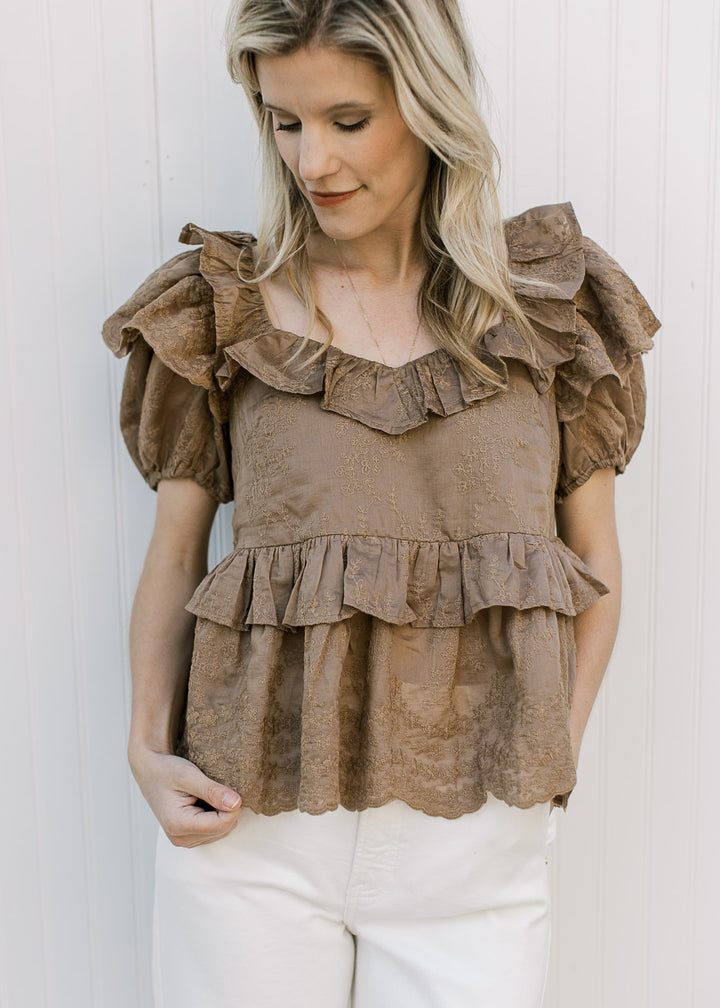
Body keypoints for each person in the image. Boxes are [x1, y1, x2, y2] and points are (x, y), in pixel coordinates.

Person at [103, 1, 660, 1005]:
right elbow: (177, 554)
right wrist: (146, 747)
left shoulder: (550, 306)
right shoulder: (222, 305)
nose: (311, 161)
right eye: (285, 122)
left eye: (348, 121)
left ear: (430, 105)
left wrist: (553, 752)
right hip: (249, 826)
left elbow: (597, 562)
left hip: (476, 837)